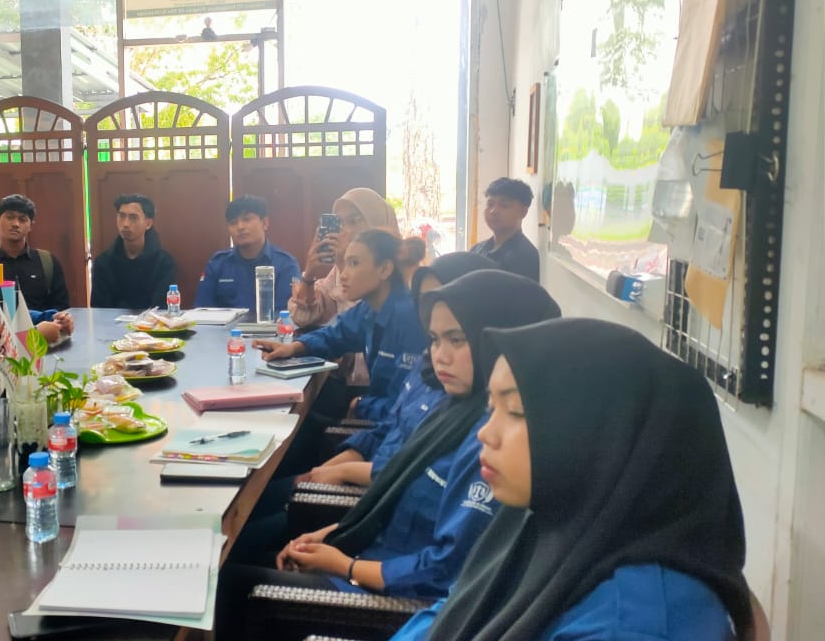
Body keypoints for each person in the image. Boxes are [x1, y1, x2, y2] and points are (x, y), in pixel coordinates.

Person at [217, 271, 561, 638]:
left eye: (457, 339)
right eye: (434, 339)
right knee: (233, 562)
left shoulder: (494, 443)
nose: (439, 355)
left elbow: (443, 573)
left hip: (387, 598)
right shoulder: (451, 411)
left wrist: (344, 565)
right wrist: (333, 536)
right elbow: (394, 503)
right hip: (369, 556)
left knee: (224, 587)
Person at [390, 318, 751, 640]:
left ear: (603, 437)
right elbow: (457, 609)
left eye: (516, 411)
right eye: (491, 408)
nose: (486, 433)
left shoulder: (630, 625)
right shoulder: (553, 520)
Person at [298, 253, 501, 488]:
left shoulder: (476, 407)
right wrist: (328, 470)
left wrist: (345, 470)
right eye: (423, 299)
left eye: (456, 339)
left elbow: (414, 478)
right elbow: (390, 428)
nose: (428, 309)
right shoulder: (427, 367)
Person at [256, 230, 424, 423]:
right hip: (381, 416)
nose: (343, 275)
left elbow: (407, 405)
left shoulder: (410, 319)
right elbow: (334, 334)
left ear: (384, 269)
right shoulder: (369, 308)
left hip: (399, 429)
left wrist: (360, 404)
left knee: (298, 428)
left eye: (354, 263)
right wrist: (293, 348)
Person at [289, 188, 400, 393]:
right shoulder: (339, 272)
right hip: (346, 382)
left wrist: (343, 264)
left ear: (377, 224)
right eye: (340, 223)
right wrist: (310, 273)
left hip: (375, 388)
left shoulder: (395, 272)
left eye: (353, 221)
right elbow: (303, 318)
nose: (345, 231)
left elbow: (359, 319)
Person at [196, 195, 301, 312]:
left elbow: (285, 313)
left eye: (246, 219)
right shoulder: (217, 263)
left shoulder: (285, 264)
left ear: (265, 223)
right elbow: (202, 311)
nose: (240, 227)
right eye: (233, 223)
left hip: (269, 324)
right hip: (224, 325)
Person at [90, 193, 178, 310]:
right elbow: (99, 309)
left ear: (148, 223)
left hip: (151, 321)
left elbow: (160, 308)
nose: (125, 224)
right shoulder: (103, 263)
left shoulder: (163, 263)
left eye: (133, 217)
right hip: (111, 322)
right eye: (121, 216)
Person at [0, 194, 69, 312]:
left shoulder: (47, 262)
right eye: (10, 217)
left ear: (31, 226)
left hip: (41, 324)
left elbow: (61, 307)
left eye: (22, 219)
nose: (15, 224)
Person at [469, 177, 540, 281]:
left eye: (504, 206)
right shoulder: (477, 249)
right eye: (490, 204)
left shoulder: (524, 257)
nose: (494, 211)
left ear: (523, 212)